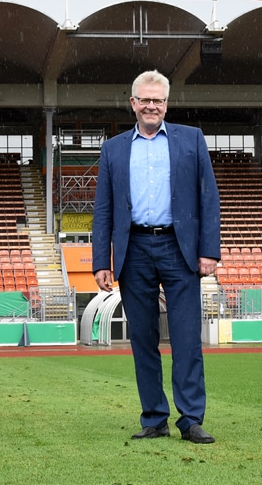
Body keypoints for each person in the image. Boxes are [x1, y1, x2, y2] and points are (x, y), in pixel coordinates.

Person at [92, 70, 222, 444]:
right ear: (132, 103)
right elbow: (103, 209)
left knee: (186, 338)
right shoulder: (113, 149)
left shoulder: (191, 140)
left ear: (167, 103)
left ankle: (191, 419)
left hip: (178, 249)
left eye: (159, 100)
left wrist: (209, 251)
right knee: (143, 339)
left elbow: (208, 198)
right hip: (134, 250)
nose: (152, 106)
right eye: (145, 99)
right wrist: (103, 260)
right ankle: (154, 417)